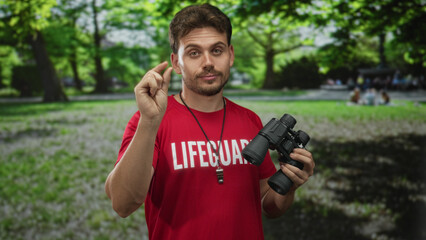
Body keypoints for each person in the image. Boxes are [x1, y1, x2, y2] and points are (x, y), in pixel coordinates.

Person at [105, 4, 315, 240]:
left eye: (217, 50)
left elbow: (268, 204)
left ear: (230, 55)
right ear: (176, 63)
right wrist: (149, 122)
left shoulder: (249, 119)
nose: (207, 62)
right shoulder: (150, 120)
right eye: (194, 52)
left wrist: (290, 184)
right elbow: (122, 204)